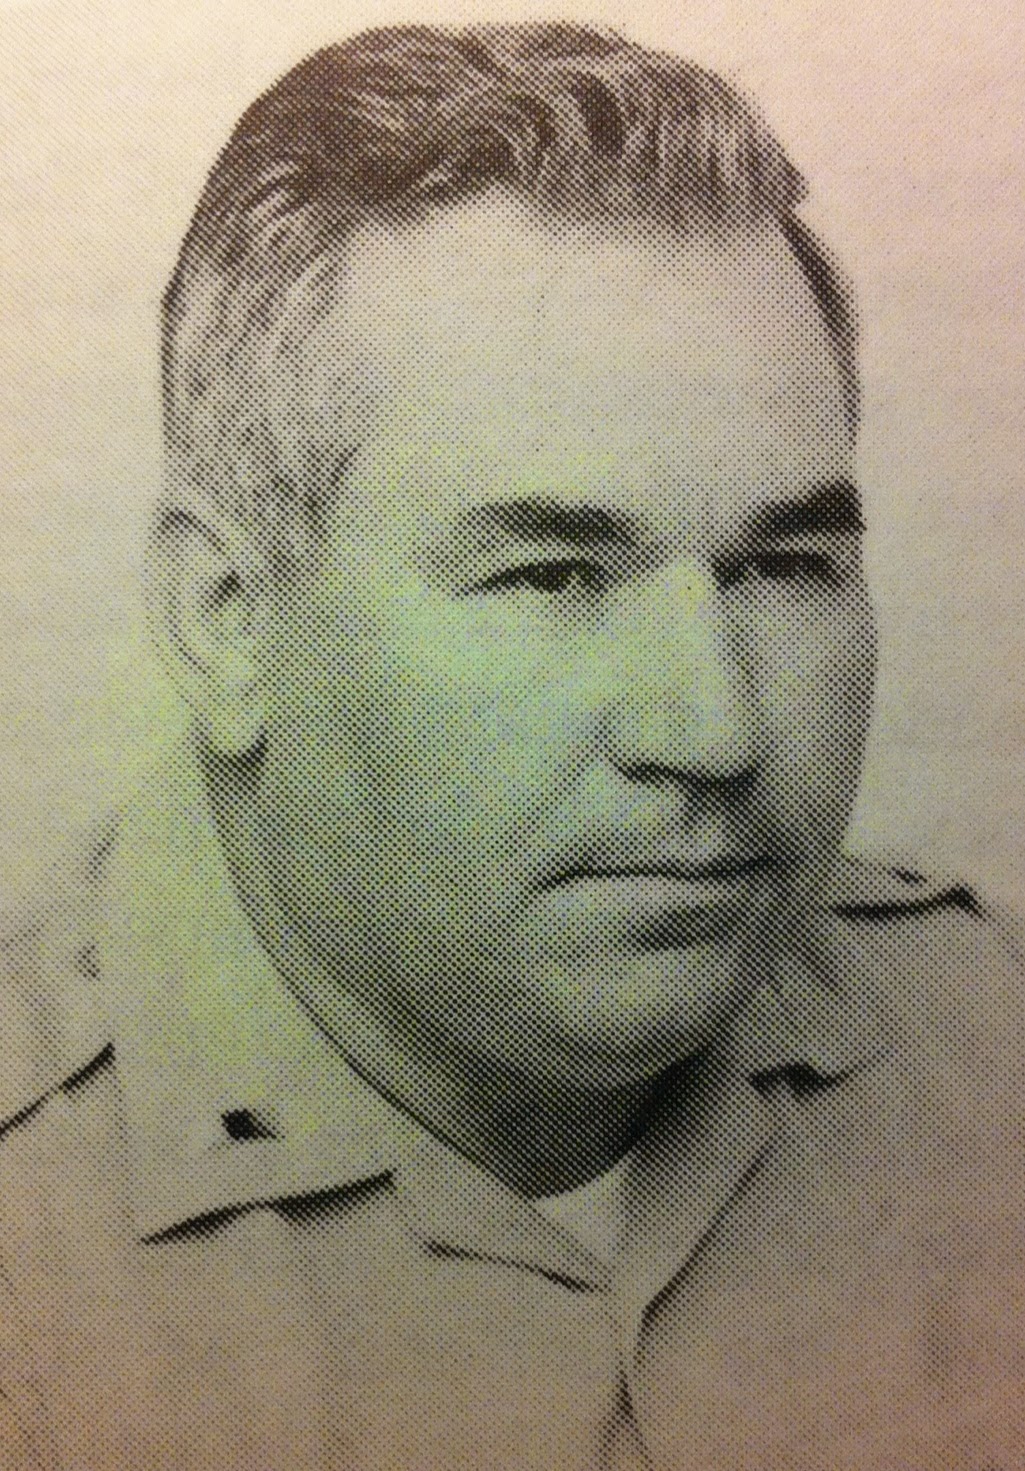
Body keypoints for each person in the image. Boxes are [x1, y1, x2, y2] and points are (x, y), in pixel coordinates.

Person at [1, 22, 1022, 1470]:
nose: (714, 732)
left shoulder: (992, 1055)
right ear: (228, 623)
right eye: (549, 578)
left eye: (783, 568)